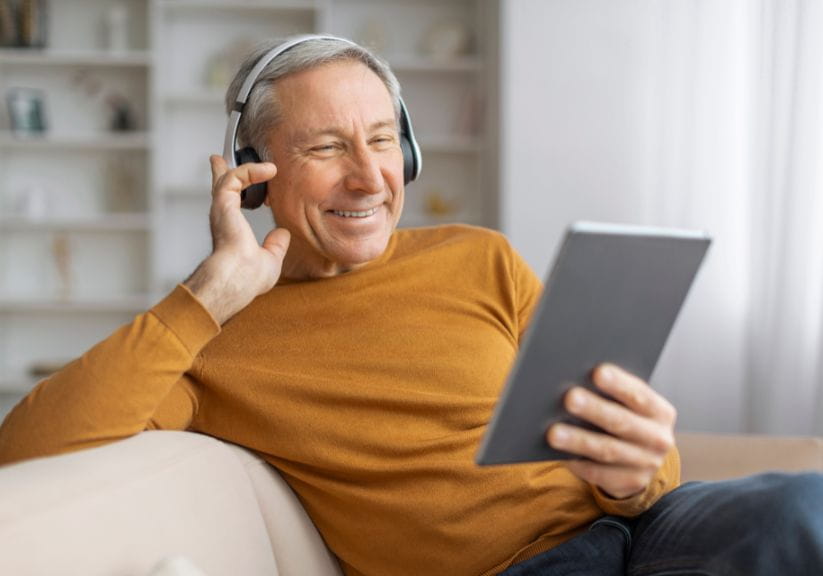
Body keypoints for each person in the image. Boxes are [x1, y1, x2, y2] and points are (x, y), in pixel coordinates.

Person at [0, 35, 821, 576]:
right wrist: (206, 297)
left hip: (646, 534)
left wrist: (641, 472)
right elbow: (27, 452)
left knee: (801, 508)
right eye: (326, 148)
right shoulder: (212, 344)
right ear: (251, 175)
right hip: (520, 570)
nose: (368, 177)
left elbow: (627, 449)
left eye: (383, 139)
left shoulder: (480, 257)